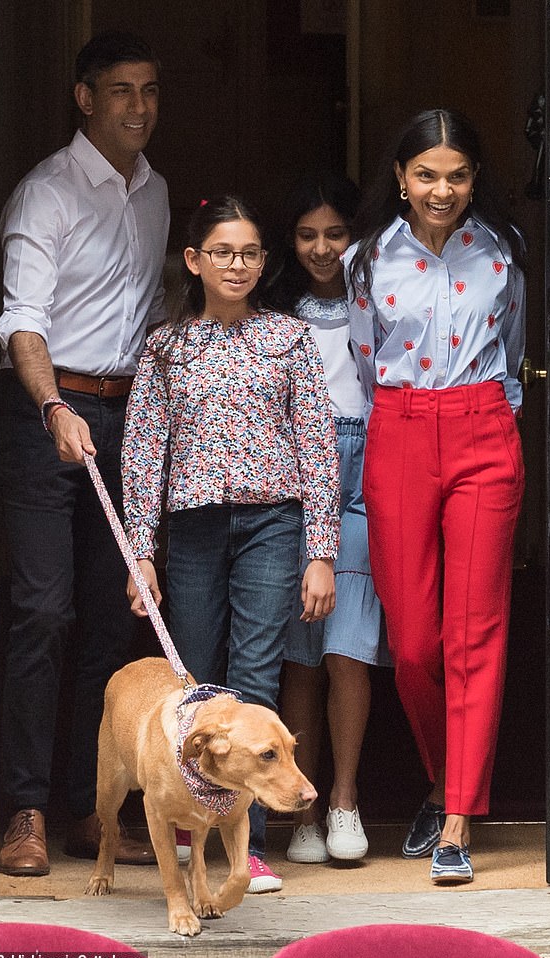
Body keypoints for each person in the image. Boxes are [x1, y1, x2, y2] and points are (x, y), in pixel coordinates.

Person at [122, 194, 340, 893]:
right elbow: (143, 452)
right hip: (189, 530)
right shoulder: (166, 346)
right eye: (222, 252)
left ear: (263, 261)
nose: (237, 264)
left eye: (249, 252)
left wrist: (321, 550)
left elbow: (317, 446)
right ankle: (191, 838)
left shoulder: (290, 339)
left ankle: (247, 848)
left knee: (254, 672)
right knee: (191, 682)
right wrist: (141, 551)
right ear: (194, 260)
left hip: (272, 524)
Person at [0, 30, 170, 876]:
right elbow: (22, 320)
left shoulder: (155, 192)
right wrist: (53, 404)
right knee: (43, 612)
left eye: (150, 90)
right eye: (122, 90)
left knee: (112, 623)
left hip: (125, 415)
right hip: (46, 415)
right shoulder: (47, 194)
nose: (139, 106)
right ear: (85, 98)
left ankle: (88, 812)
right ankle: (22, 808)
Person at [345, 108, 526, 884]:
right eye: (426, 175)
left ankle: (455, 818)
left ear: (474, 178)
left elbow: (514, 351)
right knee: (416, 641)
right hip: (401, 429)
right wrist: (410, 419)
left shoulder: (504, 253)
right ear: (400, 178)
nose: (441, 189)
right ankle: (444, 774)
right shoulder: (365, 261)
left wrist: (489, 416)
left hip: (484, 425)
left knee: (474, 631)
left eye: (456, 175)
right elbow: (362, 362)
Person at [264, 172, 387, 866]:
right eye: (307, 235)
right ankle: (302, 809)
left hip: (366, 473)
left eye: (334, 234)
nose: (321, 249)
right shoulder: (274, 314)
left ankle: (345, 799)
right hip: (293, 478)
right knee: (301, 658)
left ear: (356, 237)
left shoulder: (378, 303)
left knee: (349, 650)